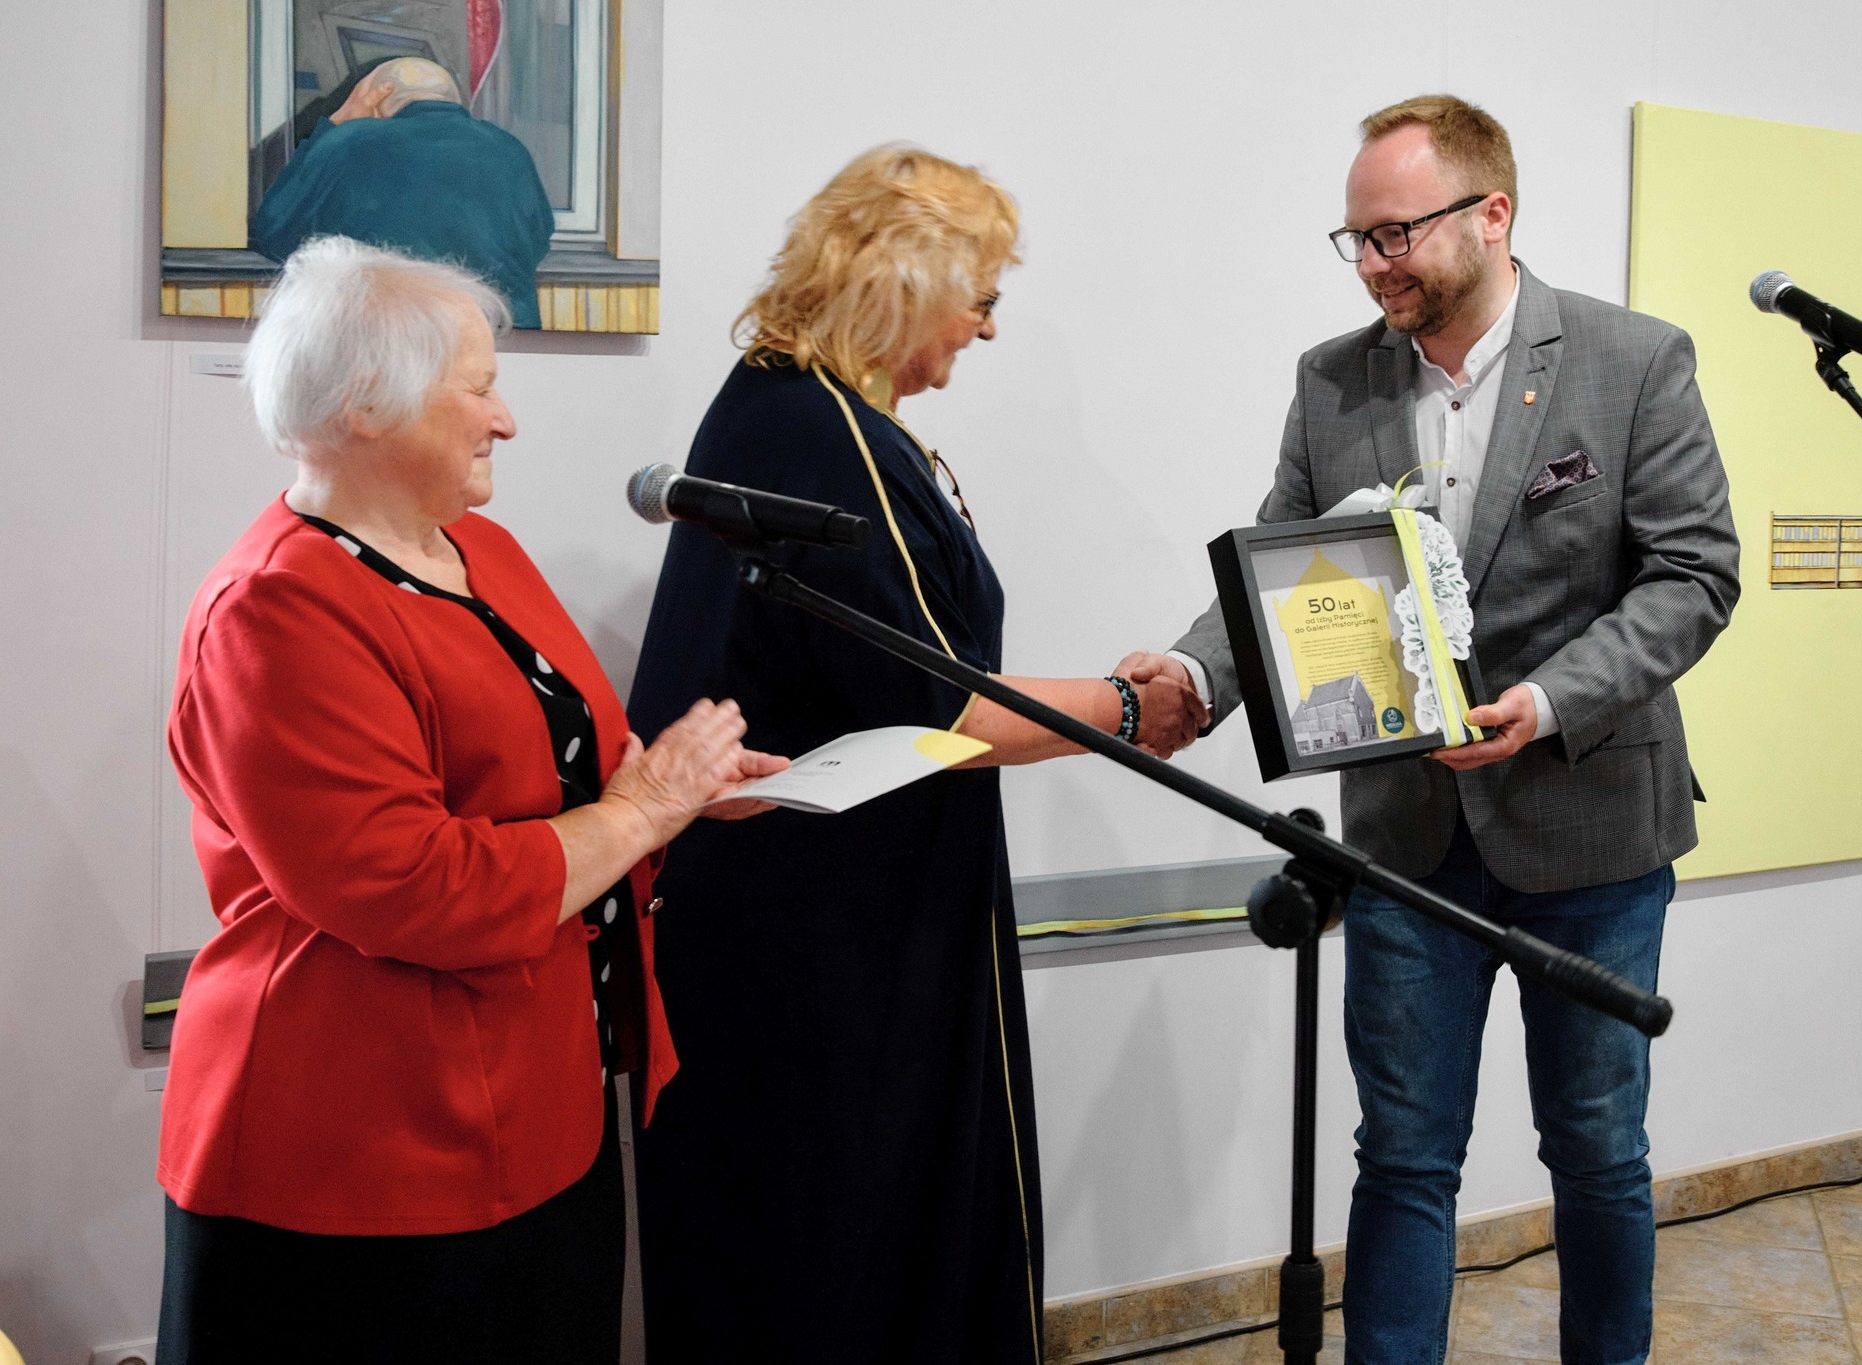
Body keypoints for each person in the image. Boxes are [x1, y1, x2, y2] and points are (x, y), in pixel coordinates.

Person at [1121, 96, 1740, 1363]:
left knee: (1596, 1150)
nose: (1370, 263)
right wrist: (1187, 672)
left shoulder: (1632, 360)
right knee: (1402, 1156)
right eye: (1354, 238)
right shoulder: (1330, 380)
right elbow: (1281, 569)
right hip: (1404, 842)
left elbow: (1692, 576)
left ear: (1490, 213)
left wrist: (1547, 702)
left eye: (1393, 233)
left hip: (1593, 835)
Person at [156, 236, 784, 1364]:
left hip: (537, 1105)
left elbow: (561, 765)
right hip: (363, 1151)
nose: (506, 420)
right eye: (479, 387)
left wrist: (681, 790)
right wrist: (644, 809)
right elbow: (412, 885)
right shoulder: (275, 609)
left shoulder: (480, 548)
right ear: (365, 405)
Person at [625, 144, 1204, 1364]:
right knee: (853, 1242)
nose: (986, 328)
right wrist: (1124, 707)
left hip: (792, 909)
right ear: (908, 283)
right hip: (834, 934)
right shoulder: (829, 438)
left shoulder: (776, 402)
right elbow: (941, 708)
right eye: (979, 297)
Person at [251, 58, 557, 329]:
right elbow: (538, 240)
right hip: (498, 335)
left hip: (389, 340)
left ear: (378, 100)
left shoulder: (349, 142)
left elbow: (275, 233)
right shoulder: (508, 149)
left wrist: (335, 123)